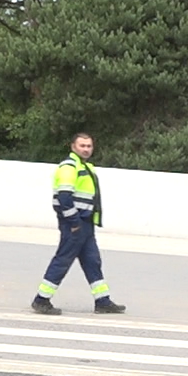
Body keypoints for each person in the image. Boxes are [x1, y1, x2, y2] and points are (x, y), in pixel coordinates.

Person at [32, 133, 124, 315]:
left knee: (92, 261)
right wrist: (74, 222)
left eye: (89, 146)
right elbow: (64, 197)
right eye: (82, 145)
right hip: (76, 223)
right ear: (73, 146)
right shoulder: (69, 166)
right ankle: (41, 300)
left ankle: (103, 301)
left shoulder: (85, 166)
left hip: (85, 223)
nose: (86, 149)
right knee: (63, 260)